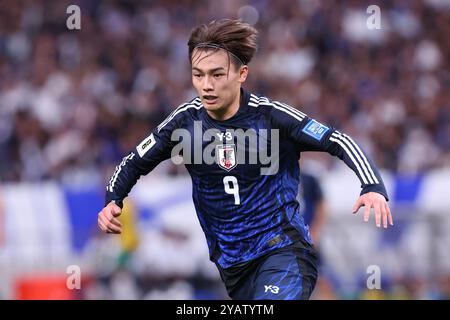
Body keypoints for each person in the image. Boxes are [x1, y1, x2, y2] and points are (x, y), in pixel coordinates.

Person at [97, 19, 393, 300]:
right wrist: (114, 198)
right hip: (232, 267)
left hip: (283, 251)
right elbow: (134, 160)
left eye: (217, 74)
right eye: (198, 75)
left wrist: (372, 186)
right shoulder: (184, 123)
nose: (206, 85)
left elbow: (336, 139)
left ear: (242, 74)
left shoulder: (272, 117)